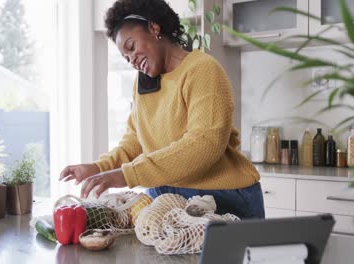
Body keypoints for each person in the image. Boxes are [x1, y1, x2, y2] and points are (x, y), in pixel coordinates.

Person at [59, 0, 265, 219]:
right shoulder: (144, 84)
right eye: (126, 58)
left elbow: (205, 144)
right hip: (165, 196)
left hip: (222, 197)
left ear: (154, 28)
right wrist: (98, 167)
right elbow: (135, 142)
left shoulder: (202, 70)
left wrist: (128, 174)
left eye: (131, 47)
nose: (132, 60)